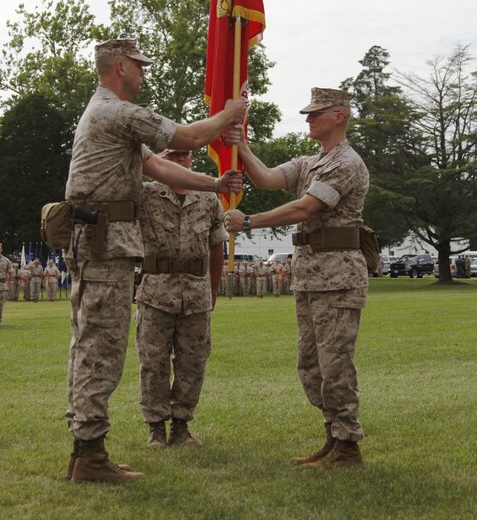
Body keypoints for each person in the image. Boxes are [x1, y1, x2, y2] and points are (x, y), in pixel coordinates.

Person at [64, 37, 245, 485]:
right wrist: (229, 114)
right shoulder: (117, 113)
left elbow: (164, 168)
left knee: (98, 347)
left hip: (107, 244)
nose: (144, 72)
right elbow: (188, 137)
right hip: (105, 244)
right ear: (120, 66)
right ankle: (89, 455)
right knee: (98, 351)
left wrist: (214, 184)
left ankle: (88, 452)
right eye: (139, 66)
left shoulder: (109, 116)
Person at [225, 87, 370, 469]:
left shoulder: (346, 163)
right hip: (311, 276)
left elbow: (307, 207)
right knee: (311, 364)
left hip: (338, 277)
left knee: (335, 362)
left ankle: (347, 447)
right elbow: (268, 179)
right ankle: (333, 436)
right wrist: (241, 147)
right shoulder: (311, 162)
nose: (308, 119)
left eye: (315, 113)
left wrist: (251, 221)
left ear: (339, 116)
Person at [137, 148, 226, 449]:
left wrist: (213, 289)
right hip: (156, 292)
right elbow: (120, 184)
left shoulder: (208, 196)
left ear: (191, 159)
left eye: (183, 155)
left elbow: (217, 248)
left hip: (196, 293)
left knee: (193, 361)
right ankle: (156, 428)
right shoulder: (146, 193)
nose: (178, 160)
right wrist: (151, 162)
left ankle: (181, 426)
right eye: (171, 155)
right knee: (153, 362)